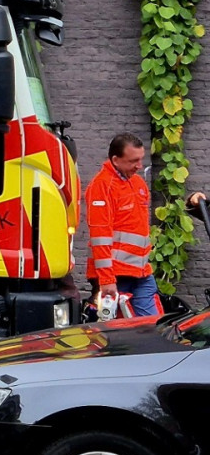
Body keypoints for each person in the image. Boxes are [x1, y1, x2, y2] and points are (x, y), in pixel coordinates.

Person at [86, 133, 163, 317]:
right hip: (116, 276)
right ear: (115, 160)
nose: (139, 165)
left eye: (140, 159)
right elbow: (100, 236)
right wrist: (106, 279)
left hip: (141, 272)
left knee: (151, 326)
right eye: (133, 161)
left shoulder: (138, 183)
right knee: (120, 333)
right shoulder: (102, 186)